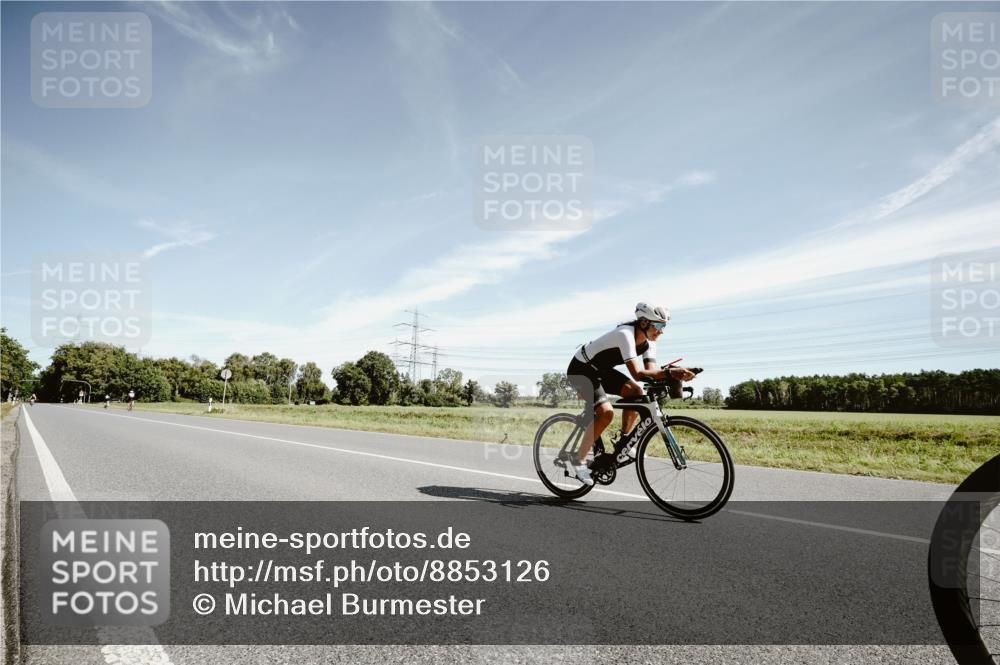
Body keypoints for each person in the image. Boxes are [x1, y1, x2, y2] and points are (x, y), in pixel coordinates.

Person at [565, 302, 696, 485]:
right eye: (658, 325)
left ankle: (624, 440)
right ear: (643, 323)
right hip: (581, 370)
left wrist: (672, 373)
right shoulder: (624, 335)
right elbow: (637, 373)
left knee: (636, 391)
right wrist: (670, 373)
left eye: (663, 326)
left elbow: (649, 373)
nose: (661, 331)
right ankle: (577, 461)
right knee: (606, 412)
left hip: (601, 370)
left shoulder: (648, 343)